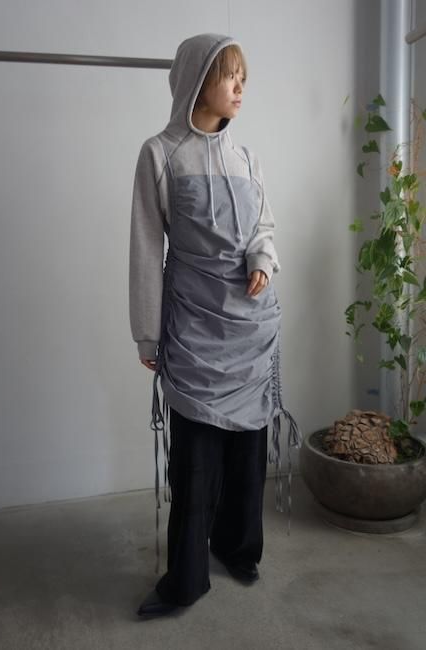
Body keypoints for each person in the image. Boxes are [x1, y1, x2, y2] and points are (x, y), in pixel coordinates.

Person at [129, 33, 302, 619]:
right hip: (194, 330)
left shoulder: (246, 158)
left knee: (248, 453)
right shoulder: (160, 154)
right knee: (195, 460)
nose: (240, 87)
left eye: (243, 78)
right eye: (230, 75)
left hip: (251, 330)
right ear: (196, 79)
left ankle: (238, 547)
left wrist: (262, 261)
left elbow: (263, 228)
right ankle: (185, 580)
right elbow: (146, 246)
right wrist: (147, 332)